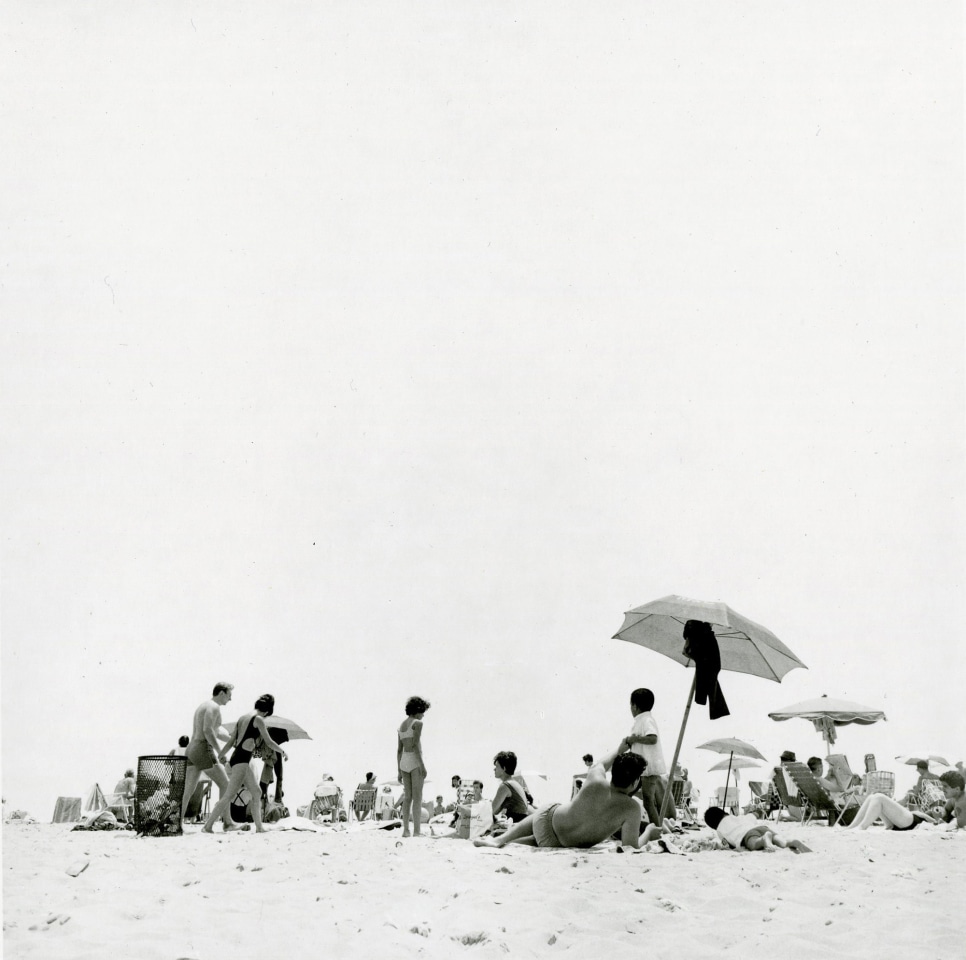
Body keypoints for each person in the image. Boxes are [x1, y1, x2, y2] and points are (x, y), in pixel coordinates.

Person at [474, 750, 663, 850]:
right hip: (558, 843)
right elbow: (631, 847)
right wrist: (648, 832)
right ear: (636, 781)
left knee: (548, 811)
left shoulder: (597, 779)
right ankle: (505, 842)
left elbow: (600, 763)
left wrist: (623, 745)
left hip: (547, 820)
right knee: (537, 838)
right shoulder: (631, 808)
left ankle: (501, 840)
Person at [204, 694, 288, 834]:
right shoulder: (259, 719)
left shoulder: (242, 718)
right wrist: (282, 751)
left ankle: (259, 827)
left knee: (256, 792)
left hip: (239, 758)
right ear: (267, 711)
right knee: (229, 795)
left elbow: (231, 742)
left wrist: (220, 755)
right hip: (242, 761)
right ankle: (208, 826)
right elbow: (269, 742)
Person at [181, 682, 237, 829]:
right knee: (226, 784)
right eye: (229, 695)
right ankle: (228, 822)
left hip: (191, 749)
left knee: (188, 790)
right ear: (222, 693)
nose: (230, 699)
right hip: (202, 747)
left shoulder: (204, 706)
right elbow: (208, 731)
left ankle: (177, 823)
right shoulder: (214, 707)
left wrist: (233, 741)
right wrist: (221, 752)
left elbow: (216, 731)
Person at [619, 687, 667, 826]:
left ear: (634, 706)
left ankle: (656, 830)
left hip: (648, 768)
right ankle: (627, 823)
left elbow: (652, 739)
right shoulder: (642, 720)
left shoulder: (646, 720)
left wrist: (634, 739)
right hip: (641, 768)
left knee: (647, 800)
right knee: (628, 794)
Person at [704, 806, 811, 853]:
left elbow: (727, 845)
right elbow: (753, 815)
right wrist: (757, 811)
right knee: (781, 841)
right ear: (724, 813)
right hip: (761, 828)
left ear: (713, 825)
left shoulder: (719, 830)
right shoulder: (738, 817)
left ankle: (763, 840)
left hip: (747, 834)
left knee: (753, 843)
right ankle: (791, 842)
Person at [397, 695, 430, 838]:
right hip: (415, 760)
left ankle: (406, 830)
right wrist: (422, 765)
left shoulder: (401, 726)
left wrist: (398, 770)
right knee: (418, 797)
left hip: (403, 760)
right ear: (418, 710)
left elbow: (399, 750)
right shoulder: (417, 723)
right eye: (423, 712)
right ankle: (417, 831)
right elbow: (416, 745)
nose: (423, 715)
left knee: (407, 797)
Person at [491, 752, 531, 823]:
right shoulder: (514, 783)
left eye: (496, 766)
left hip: (516, 824)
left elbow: (491, 810)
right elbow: (496, 811)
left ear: (504, 768)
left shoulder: (506, 786)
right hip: (520, 823)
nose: (494, 769)